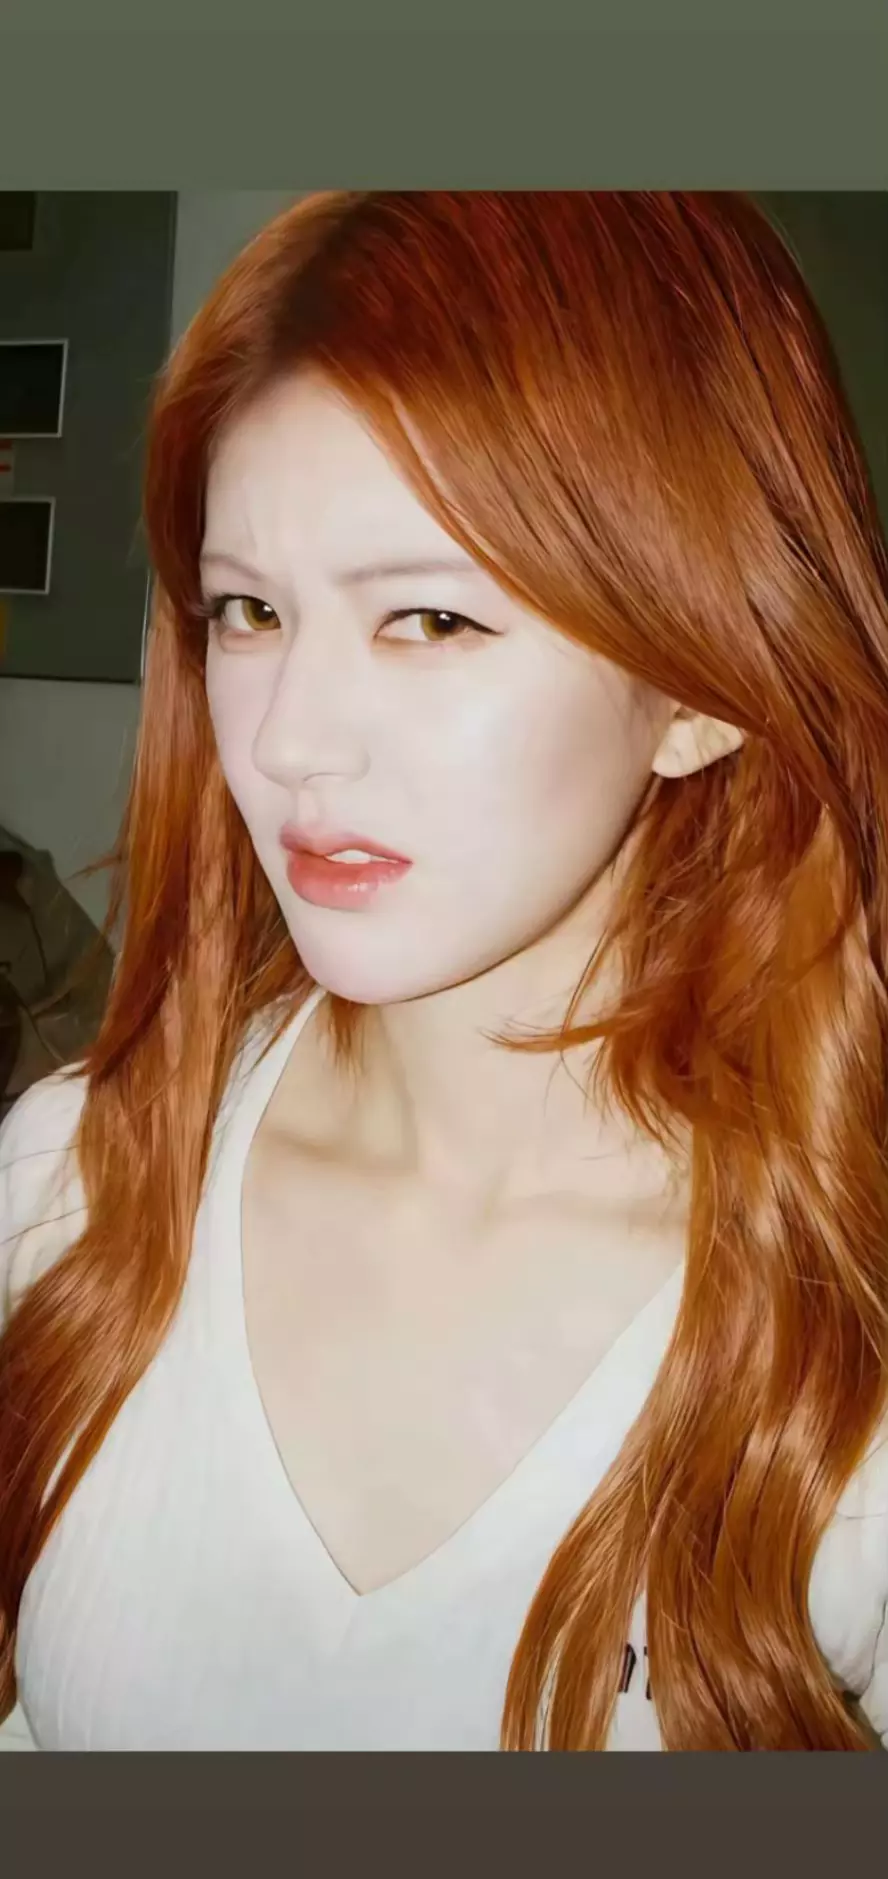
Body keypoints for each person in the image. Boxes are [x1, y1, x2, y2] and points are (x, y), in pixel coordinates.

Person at [1, 191, 887, 1753]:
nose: (287, 741)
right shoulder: (71, 1186)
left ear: (706, 689)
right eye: (249, 611)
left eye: (428, 618)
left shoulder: (844, 1343)